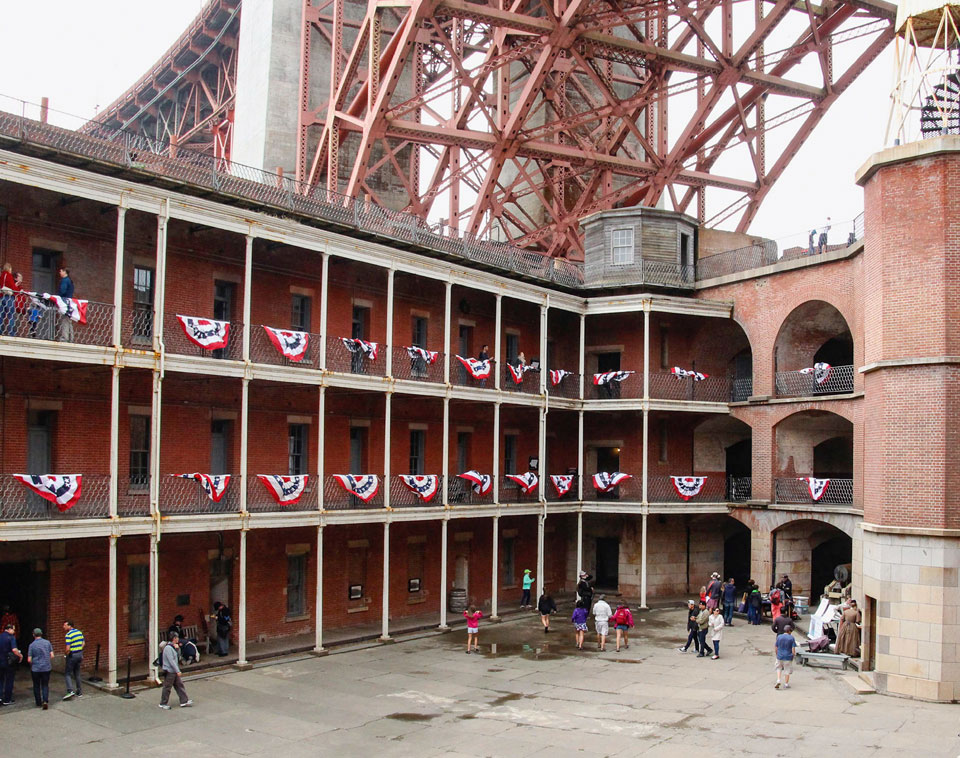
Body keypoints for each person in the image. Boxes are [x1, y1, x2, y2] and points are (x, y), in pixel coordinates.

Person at [158, 633, 193, 709]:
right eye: (177, 638)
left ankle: (184, 701)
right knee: (167, 687)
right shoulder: (168, 648)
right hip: (170, 671)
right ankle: (163, 703)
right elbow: (171, 661)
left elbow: (178, 657)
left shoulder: (173, 647)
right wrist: (178, 671)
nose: (178, 639)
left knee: (179, 685)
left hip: (173, 671)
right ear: (174, 638)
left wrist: (177, 649)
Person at [27, 627, 53, 709]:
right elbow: (52, 655)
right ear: (41, 634)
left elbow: (29, 659)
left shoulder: (31, 645)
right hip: (46, 667)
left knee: (36, 685)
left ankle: (38, 702)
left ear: (33, 635)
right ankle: (45, 700)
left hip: (36, 668)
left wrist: (33, 663)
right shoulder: (47, 643)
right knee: (45, 685)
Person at [0, 622, 22, 705]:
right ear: (9, 629)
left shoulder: (0, 636)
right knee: (9, 680)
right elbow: (14, 650)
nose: (14, 631)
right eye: (13, 629)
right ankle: (7, 699)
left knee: (1, 680)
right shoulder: (11, 637)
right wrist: (20, 656)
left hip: (0, 661)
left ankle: (0, 698)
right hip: (8, 662)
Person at [62, 620, 84, 700]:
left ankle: (70, 690)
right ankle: (79, 691)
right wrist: (79, 649)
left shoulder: (68, 635)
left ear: (69, 626)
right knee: (77, 673)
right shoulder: (79, 632)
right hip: (79, 654)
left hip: (72, 655)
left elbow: (67, 648)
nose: (63, 627)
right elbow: (83, 643)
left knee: (67, 673)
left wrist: (65, 654)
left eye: (65, 625)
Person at [775, 624, 797, 689]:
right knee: (787, 670)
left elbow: (776, 647)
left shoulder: (779, 637)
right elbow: (793, 649)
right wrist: (793, 655)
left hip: (780, 655)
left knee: (778, 668)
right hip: (788, 656)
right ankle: (786, 684)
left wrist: (777, 654)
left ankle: (778, 680)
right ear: (789, 631)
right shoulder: (791, 638)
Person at [57, 267, 75, 342]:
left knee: (64, 319)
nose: (60, 273)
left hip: (64, 302)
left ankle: (65, 337)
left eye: (61, 271)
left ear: (65, 272)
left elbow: (62, 291)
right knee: (68, 319)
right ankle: (71, 338)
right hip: (70, 302)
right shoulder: (70, 281)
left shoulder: (65, 280)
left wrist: (58, 297)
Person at [0, 262, 17, 336]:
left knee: (1, 315)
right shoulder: (9, 276)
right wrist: (16, 292)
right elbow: (12, 287)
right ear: (9, 268)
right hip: (9, 297)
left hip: (1, 296)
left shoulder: (1, 276)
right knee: (11, 315)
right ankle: (11, 333)